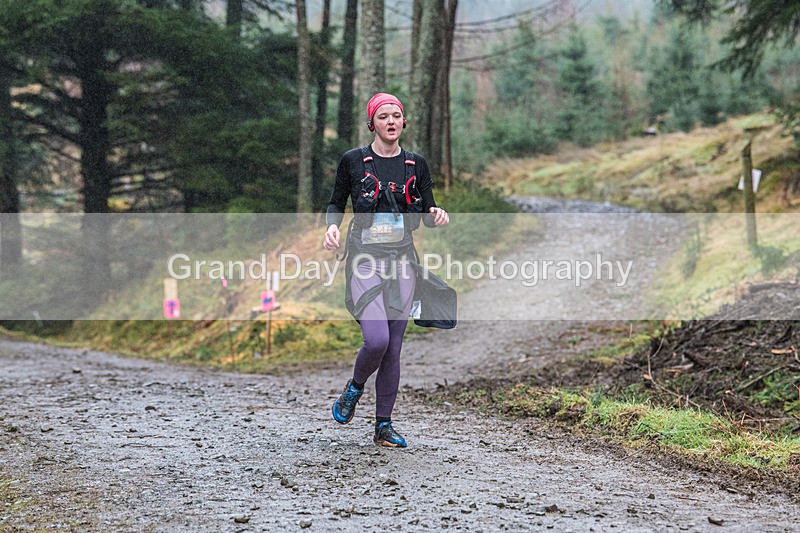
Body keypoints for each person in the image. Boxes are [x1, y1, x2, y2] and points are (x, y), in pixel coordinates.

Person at [323, 92, 449, 448]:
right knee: (376, 340)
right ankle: (354, 387)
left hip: (403, 262)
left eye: (396, 116)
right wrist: (331, 227)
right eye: (383, 116)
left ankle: (383, 426)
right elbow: (336, 202)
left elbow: (428, 212)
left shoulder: (416, 164)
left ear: (403, 121)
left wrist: (437, 215)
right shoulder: (353, 160)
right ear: (372, 123)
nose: (390, 121)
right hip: (364, 260)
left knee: (393, 348)